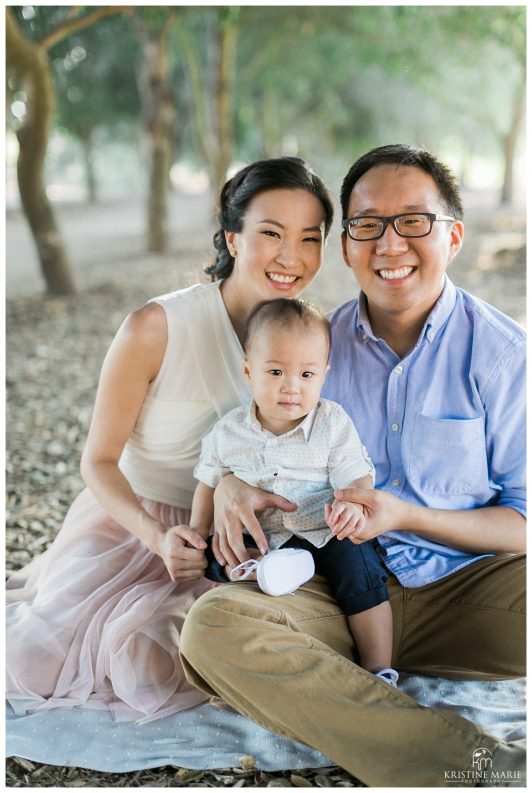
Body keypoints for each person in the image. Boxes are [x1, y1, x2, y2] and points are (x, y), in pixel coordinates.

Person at [179, 144, 526, 786]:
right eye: (368, 224)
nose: (390, 244)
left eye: (413, 222)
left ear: (453, 235)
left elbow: (526, 521)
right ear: (347, 247)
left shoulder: (506, 357)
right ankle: (468, 762)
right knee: (212, 627)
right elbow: (257, 441)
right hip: (334, 591)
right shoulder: (312, 351)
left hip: (472, 591)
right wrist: (229, 481)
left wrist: (407, 515)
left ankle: (361, 712)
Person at [6, 156, 334, 723]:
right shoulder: (154, 327)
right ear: (232, 236)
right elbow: (99, 461)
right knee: (58, 662)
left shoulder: (311, 340)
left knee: (229, 654)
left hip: (247, 541)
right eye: (271, 234)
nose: (292, 257)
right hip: (136, 529)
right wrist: (158, 537)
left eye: (310, 238)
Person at [190, 297, 396, 684]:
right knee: (217, 554)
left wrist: (353, 504)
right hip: (262, 539)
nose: (291, 387)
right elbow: (209, 481)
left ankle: (379, 667)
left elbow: (356, 474)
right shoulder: (227, 432)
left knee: (362, 568)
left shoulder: (332, 422)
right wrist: (197, 531)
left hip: (324, 529)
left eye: (306, 375)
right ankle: (265, 571)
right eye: (276, 372)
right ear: (249, 372)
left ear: (324, 375)